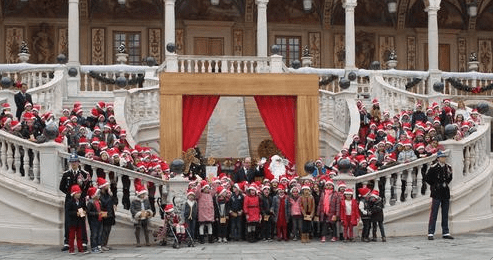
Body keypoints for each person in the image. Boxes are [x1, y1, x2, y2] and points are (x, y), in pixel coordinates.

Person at [59, 154, 90, 252]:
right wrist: (70, 194)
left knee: (81, 220)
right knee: (68, 221)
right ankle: (67, 242)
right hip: (69, 201)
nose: (73, 164)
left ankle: (83, 242)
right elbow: (62, 187)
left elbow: (87, 186)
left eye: (75, 162)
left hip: (80, 202)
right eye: (72, 162)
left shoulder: (84, 174)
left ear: (78, 162)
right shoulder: (66, 174)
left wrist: (81, 196)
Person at [424, 151, 454, 240]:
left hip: (445, 192)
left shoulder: (448, 167)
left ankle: (445, 232)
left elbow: (449, 177)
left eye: (444, 157)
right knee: (434, 213)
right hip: (437, 192)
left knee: (445, 213)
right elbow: (428, 178)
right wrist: (435, 185)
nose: (444, 159)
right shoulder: (433, 167)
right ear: (438, 158)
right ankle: (430, 232)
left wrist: (444, 183)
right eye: (442, 157)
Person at [66, 184, 88, 255]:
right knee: (71, 237)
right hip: (72, 222)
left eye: (80, 193)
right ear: (74, 194)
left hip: (79, 222)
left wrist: (84, 212)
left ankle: (80, 248)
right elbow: (68, 212)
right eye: (78, 193)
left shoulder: (81, 201)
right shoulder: (70, 202)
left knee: (79, 236)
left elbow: (83, 208)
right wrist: (76, 213)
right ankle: (71, 250)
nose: (79, 194)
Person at [98, 177, 116, 251]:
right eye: (107, 186)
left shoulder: (108, 194)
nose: (108, 187)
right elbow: (104, 203)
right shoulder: (100, 195)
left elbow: (114, 201)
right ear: (103, 187)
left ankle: (105, 244)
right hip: (105, 214)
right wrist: (110, 196)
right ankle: (102, 244)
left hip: (110, 214)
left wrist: (111, 196)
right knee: (104, 231)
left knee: (108, 230)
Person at [86, 186, 103, 253]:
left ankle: (98, 246)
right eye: (97, 194)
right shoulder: (90, 202)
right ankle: (93, 247)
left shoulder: (98, 202)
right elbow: (88, 212)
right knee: (94, 234)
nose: (99, 195)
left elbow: (100, 210)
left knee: (99, 234)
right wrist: (96, 214)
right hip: (93, 221)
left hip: (99, 220)